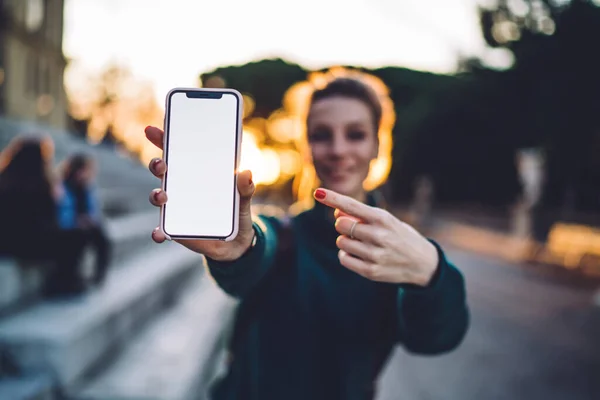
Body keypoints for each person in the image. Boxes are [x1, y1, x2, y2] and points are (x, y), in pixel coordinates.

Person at [144, 74, 469, 400]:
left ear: (377, 146)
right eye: (321, 135)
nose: (338, 150)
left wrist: (431, 271)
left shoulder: (400, 251)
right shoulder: (281, 234)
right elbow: (255, 253)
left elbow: (434, 339)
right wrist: (244, 247)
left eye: (355, 135)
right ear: (306, 148)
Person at [0, 135, 88, 296]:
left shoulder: (4, 179)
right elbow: (49, 221)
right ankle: (63, 281)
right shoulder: (42, 185)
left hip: (5, 245)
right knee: (77, 235)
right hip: (30, 245)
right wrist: (56, 198)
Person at [57, 153, 111, 286]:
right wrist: (76, 221)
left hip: (83, 226)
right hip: (67, 228)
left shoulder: (87, 188)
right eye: (84, 170)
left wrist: (90, 220)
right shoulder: (62, 186)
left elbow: (94, 211)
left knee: (102, 237)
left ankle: (98, 275)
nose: (86, 174)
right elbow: (61, 213)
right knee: (79, 237)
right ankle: (73, 278)